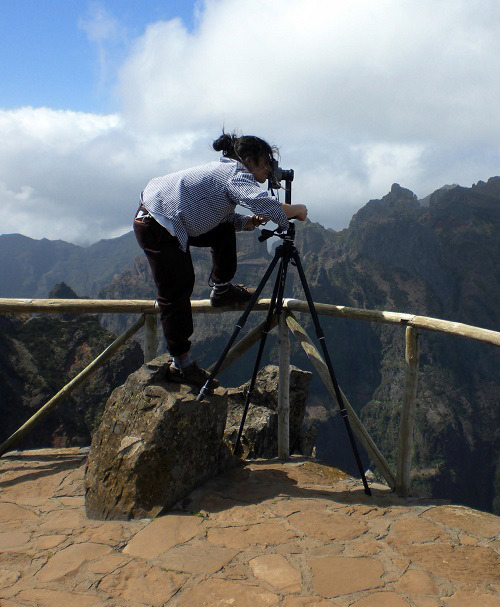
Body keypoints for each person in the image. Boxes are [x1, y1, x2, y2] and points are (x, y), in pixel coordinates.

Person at [134, 131, 308, 387]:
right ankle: (181, 365)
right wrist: (296, 210)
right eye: (267, 163)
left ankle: (222, 289)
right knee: (178, 288)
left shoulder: (224, 172)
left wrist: (248, 222)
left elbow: (219, 218)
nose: (270, 170)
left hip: (169, 218)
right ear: (251, 160)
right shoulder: (235, 174)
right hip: (158, 223)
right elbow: (261, 201)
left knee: (224, 233)